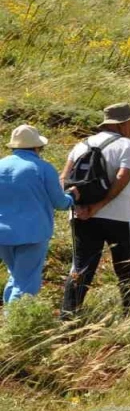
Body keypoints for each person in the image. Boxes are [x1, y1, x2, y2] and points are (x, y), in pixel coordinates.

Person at [60, 103, 130, 319]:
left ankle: (68, 316)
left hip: (81, 216)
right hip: (118, 217)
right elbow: (121, 180)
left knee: (81, 267)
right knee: (128, 265)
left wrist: (79, 206)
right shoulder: (128, 145)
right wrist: (99, 205)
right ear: (122, 124)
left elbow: (64, 178)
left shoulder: (81, 145)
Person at [0, 125, 76, 305]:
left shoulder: (1, 165)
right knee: (26, 283)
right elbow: (60, 203)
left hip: (3, 233)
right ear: (37, 147)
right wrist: (71, 197)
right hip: (33, 233)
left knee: (16, 276)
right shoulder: (42, 168)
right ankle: (16, 325)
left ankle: (7, 319)